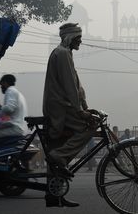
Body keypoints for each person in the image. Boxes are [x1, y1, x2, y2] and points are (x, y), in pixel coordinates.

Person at [43, 22, 98, 208]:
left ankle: (54, 195)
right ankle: (60, 156)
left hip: (64, 107)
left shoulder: (65, 54)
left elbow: (77, 86)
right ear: (70, 37)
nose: (81, 41)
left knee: (55, 149)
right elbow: (69, 87)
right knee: (90, 126)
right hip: (60, 108)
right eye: (78, 38)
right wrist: (80, 111)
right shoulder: (62, 54)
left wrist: (85, 106)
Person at [0, 74, 27, 140]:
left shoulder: (10, 91)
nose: (1, 87)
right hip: (18, 126)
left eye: (1, 84)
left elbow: (9, 109)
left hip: (15, 127)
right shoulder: (16, 92)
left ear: (5, 83)